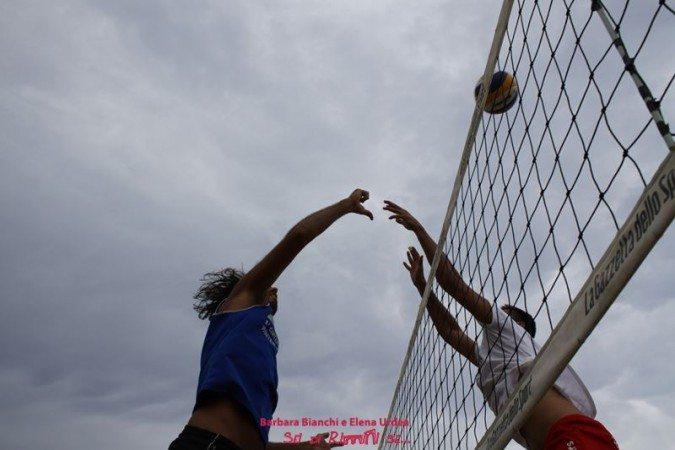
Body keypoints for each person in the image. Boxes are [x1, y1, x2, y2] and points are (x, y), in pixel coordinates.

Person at [385, 200, 619, 450]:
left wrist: (419, 230)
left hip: (575, 435)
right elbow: (451, 332)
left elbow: (454, 285)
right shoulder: (492, 359)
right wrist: (422, 286)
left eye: (505, 313)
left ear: (519, 324)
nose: (497, 313)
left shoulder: (511, 332)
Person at [170, 189, 374, 450]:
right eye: (270, 286)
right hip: (206, 443)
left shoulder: (260, 340)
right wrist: (345, 206)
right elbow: (297, 237)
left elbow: (256, 444)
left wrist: (305, 447)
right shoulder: (242, 299)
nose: (275, 289)